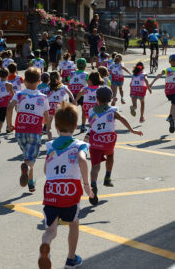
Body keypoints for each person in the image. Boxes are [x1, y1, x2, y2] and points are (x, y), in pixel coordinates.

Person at [37, 102, 93, 269]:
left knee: (50, 230)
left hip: (52, 189)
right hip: (70, 189)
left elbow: (47, 169)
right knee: (74, 223)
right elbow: (82, 160)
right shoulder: (79, 145)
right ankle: (71, 258)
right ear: (76, 126)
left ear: (55, 125)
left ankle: (45, 246)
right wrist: (87, 184)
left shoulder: (51, 146)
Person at [88, 87, 143, 205]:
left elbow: (94, 121)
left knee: (95, 167)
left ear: (96, 98)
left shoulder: (91, 111)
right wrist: (132, 130)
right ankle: (107, 176)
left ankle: (93, 184)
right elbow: (122, 118)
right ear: (110, 98)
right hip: (107, 141)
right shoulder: (113, 111)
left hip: (95, 141)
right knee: (110, 156)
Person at [7, 68, 50, 193]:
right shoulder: (42, 97)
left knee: (28, 156)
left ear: (24, 81)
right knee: (29, 159)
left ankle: (31, 183)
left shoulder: (19, 94)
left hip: (20, 131)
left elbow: (10, 107)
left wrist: (9, 124)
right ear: (39, 81)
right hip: (34, 132)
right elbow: (46, 119)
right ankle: (26, 167)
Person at [149, 54, 175, 133]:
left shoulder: (167, 69)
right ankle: (171, 118)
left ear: (170, 62)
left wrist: (151, 83)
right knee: (174, 104)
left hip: (168, 90)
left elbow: (159, 75)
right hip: (173, 89)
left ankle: (171, 117)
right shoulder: (168, 70)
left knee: (173, 103)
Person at [46, 72, 74, 140]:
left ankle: (50, 141)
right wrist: (73, 100)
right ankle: (62, 138)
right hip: (60, 108)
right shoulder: (63, 87)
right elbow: (70, 94)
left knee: (48, 127)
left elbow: (45, 96)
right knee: (61, 124)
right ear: (59, 78)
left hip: (50, 107)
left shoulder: (48, 87)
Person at [68, 58, 89, 132]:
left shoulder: (72, 73)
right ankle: (83, 126)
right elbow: (89, 84)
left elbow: (68, 82)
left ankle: (72, 126)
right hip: (83, 95)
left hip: (72, 94)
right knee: (84, 110)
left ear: (77, 65)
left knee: (73, 111)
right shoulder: (86, 74)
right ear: (85, 66)